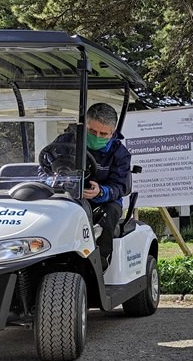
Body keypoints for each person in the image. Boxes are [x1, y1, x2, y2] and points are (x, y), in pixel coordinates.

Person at [49, 103, 131, 269]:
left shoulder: (119, 154)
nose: (97, 136)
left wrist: (100, 191)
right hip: (67, 196)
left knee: (109, 213)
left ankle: (99, 264)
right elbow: (45, 166)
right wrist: (54, 180)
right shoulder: (65, 142)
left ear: (112, 132)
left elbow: (120, 186)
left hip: (103, 202)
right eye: (92, 132)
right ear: (85, 126)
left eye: (103, 134)